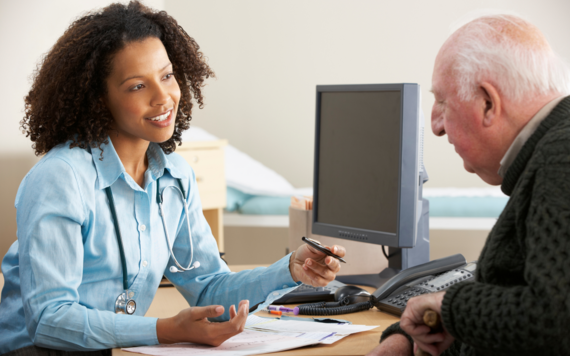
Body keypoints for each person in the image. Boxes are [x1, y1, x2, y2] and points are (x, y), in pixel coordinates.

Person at [0, 2, 346, 355]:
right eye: (137, 86)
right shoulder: (60, 179)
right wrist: (165, 330)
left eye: (166, 76)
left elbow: (209, 286)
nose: (164, 97)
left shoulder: (174, 177)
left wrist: (291, 269)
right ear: (100, 99)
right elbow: (49, 320)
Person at [366, 14, 570, 356]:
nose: (435, 126)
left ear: (488, 103)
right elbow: (504, 303)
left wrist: (450, 308)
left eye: (442, 103)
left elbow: (554, 320)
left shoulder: (560, 158)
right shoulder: (549, 154)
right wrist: (404, 337)